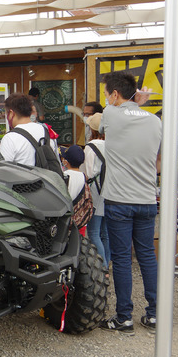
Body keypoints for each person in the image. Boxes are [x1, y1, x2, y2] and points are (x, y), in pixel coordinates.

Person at [98, 72, 161, 335]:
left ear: (114, 94)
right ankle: (156, 313)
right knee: (147, 255)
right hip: (147, 199)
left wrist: (136, 103)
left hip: (119, 201)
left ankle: (124, 317)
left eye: (107, 94)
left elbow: (106, 124)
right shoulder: (156, 121)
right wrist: (140, 105)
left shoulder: (110, 114)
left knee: (122, 259)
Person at [82, 113, 110, 269]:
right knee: (105, 233)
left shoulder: (90, 147)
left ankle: (102, 267)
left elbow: (88, 173)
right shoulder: (112, 145)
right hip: (110, 192)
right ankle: (107, 263)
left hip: (95, 193)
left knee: (93, 232)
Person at [0, 93, 46, 166]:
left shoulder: (10, 138)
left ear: (11, 113)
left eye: (6, 114)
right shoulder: (46, 131)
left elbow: (2, 169)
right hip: (46, 177)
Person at [61, 145, 88, 236]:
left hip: (66, 219)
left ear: (66, 162)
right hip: (80, 219)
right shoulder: (84, 177)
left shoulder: (64, 175)